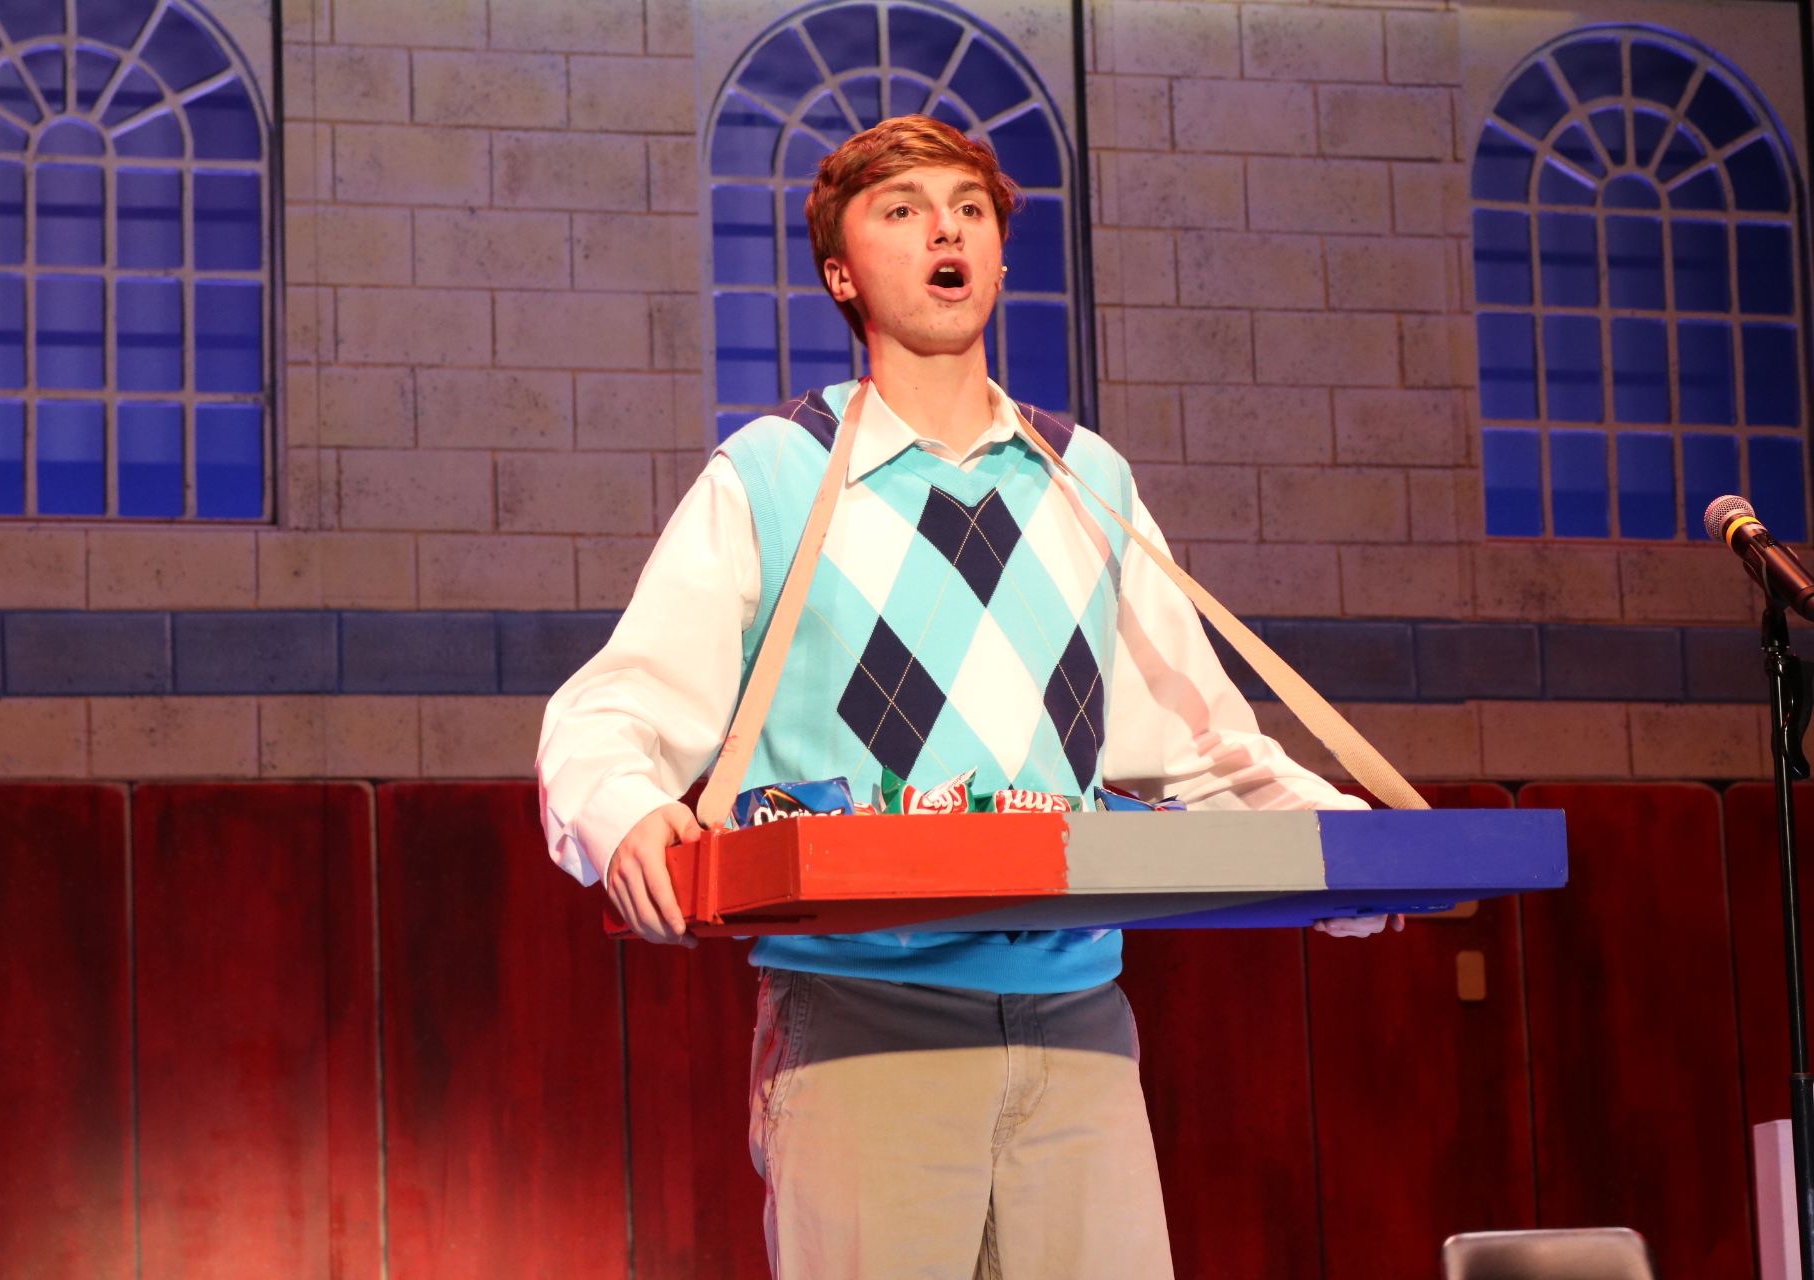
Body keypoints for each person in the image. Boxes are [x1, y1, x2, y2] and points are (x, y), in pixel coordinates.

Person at [538, 115, 1394, 1280]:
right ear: (842, 273)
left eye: (970, 209)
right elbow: (611, 710)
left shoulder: (1091, 480)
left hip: (1082, 1029)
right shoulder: (772, 473)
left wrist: (1348, 854)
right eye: (900, 210)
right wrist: (623, 811)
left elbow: (1200, 748)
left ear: (995, 258)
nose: (944, 226)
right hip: (859, 1026)